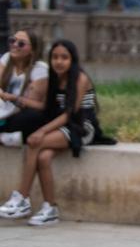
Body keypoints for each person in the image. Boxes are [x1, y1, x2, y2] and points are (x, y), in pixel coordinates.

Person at [0, 39, 100, 225]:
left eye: (64, 57)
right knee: (43, 157)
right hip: (62, 126)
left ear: (73, 60)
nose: (59, 61)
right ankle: (50, 208)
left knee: (34, 141)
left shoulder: (80, 78)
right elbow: (46, 107)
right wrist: (17, 98)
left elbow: (70, 114)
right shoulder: (53, 79)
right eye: (55, 57)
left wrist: (41, 132)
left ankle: (22, 197)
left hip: (81, 127)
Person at [0, 31, 50, 145]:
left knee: (33, 117)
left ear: (33, 50)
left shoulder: (40, 70)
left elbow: (39, 106)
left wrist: (14, 98)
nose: (15, 45)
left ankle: (5, 138)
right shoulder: (7, 58)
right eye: (12, 40)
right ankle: (9, 138)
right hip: (3, 111)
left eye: (21, 43)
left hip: (17, 115)